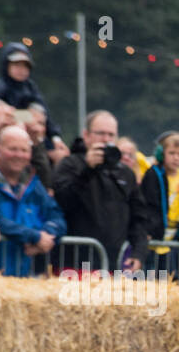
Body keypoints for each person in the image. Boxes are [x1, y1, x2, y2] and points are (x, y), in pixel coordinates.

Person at [51, 110, 149, 271]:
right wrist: (88, 170)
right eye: (100, 133)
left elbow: (139, 217)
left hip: (114, 265)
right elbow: (63, 202)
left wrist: (139, 252)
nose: (106, 139)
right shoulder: (70, 164)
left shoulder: (125, 172)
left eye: (111, 135)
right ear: (86, 135)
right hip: (75, 265)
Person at [0, 125, 63, 276]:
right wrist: (35, 237)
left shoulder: (35, 185)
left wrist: (46, 237)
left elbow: (57, 217)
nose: (19, 155)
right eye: (12, 149)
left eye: (24, 150)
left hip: (22, 279)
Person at [139, 131, 179, 259]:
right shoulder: (154, 175)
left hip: (173, 240)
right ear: (162, 154)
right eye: (171, 153)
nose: (176, 158)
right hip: (153, 238)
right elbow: (148, 205)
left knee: (168, 277)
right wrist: (148, 229)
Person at [0, 44, 62, 147]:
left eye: (25, 66)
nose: (21, 70)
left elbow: (44, 115)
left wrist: (55, 137)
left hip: (32, 138)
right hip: (4, 139)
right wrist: (28, 116)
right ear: (6, 65)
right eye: (17, 65)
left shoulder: (31, 87)